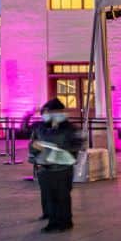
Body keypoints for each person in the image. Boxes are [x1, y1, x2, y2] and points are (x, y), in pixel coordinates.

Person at [28, 99, 83, 233]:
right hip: (45, 167)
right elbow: (32, 144)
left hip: (62, 168)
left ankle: (65, 221)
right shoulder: (40, 127)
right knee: (49, 196)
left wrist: (61, 149)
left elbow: (77, 144)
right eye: (48, 112)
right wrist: (35, 146)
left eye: (54, 112)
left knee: (63, 196)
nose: (49, 114)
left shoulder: (70, 128)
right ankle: (52, 222)